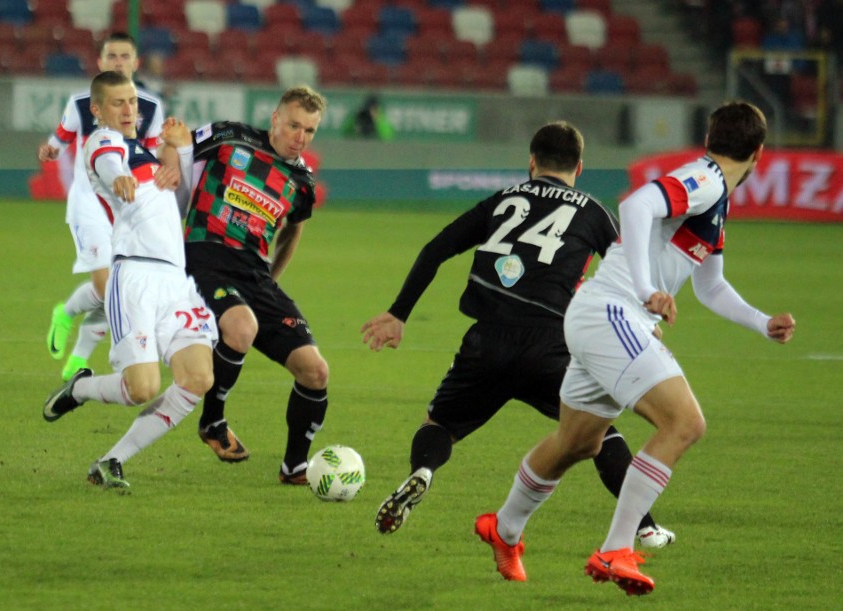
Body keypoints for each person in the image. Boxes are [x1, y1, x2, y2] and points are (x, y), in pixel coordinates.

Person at [476, 101, 796, 595]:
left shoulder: (715, 198)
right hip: (614, 312)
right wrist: (647, 290)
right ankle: (615, 548)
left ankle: (505, 529)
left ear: (712, 137)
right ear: (759, 152)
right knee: (684, 423)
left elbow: (710, 286)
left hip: (599, 315)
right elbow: (637, 204)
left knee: (577, 443)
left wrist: (762, 322)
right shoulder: (706, 179)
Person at [361, 121, 674, 556]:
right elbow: (626, 266)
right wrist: (643, 315)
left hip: (486, 340)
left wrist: (398, 313)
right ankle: (646, 527)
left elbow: (437, 248)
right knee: (596, 433)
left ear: (531, 162)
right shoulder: (592, 211)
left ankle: (424, 472)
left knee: (441, 426)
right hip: (552, 345)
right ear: (580, 167)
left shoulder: (503, 199)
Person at [42, 71, 216, 490]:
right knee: (142, 388)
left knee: (198, 378)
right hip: (134, 275)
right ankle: (80, 389)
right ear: (98, 110)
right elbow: (109, 163)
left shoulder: (149, 153)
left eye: (133, 102)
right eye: (117, 103)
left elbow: (183, 198)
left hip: (176, 280)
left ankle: (110, 461)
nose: (128, 110)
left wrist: (178, 152)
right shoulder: (104, 142)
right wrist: (119, 174)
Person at [177, 86, 330, 484]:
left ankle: (294, 467)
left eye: (310, 130)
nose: (301, 136)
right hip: (205, 252)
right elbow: (180, 148)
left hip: (254, 274)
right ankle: (213, 421)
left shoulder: (302, 182)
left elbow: (293, 231)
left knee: (315, 371)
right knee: (242, 328)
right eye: (295, 124)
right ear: (275, 118)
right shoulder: (230, 137)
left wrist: (271, 280)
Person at [39, 32, 165, 381]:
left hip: (128, 206)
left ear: (136, 63)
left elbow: (152, 156)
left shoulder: (150, 106)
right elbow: (61, 137)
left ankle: (77, 358)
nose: (119, 62)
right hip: (88, 204)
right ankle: (67, 315)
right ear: (100, 62)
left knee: (118, 288)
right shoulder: (82, 103)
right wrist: (51, 148)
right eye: (112, 56)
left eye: (125, 56)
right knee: (107, 285)